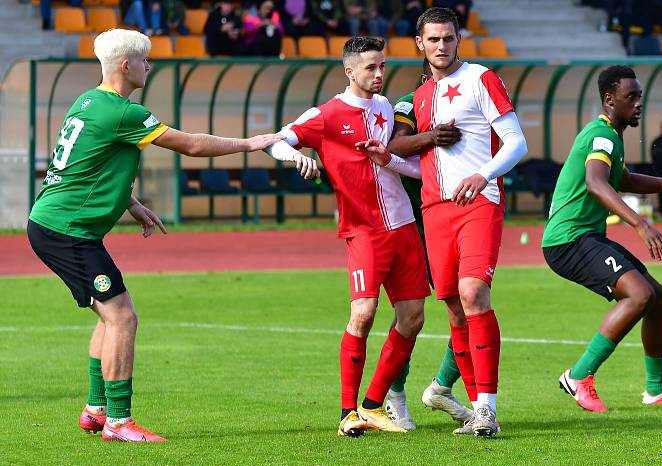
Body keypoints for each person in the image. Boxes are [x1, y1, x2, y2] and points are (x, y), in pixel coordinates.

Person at [26, 29, 286, 443]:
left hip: (59, 226)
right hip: (67, 230)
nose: (150, 66)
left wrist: (131, 203)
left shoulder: (87, 101)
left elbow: (89, 162)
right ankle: (119, 422)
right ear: (126, 66)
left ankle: (96, 410)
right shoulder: (125, 113)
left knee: (110, 314)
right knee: (123, 316)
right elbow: (192, 145)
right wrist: (252, 142)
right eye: (146, 60)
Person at [266, 36, 430, 437]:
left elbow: (404, 164)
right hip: (364, 231)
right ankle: (347, 412)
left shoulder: (387, 110)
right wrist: (298, 156)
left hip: (404, 226)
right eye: (371, 67)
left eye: (383, 67)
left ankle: (373, 405)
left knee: (412, 318)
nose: (379, 74)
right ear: (350, 70)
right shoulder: (325, 115)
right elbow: (276, 143)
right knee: (363, 314)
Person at [541, 65, 662, 413]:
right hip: (569, 240)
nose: (638, 103)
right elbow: (597, 183)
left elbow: (624, 180)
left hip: (584, 236)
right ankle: (579, 377)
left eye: (640, 96)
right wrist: (641, 225)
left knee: (658, 298)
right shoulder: (601, 136)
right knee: (640, 294)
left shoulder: (609, 136)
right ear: (609, 99)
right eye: (630, 97)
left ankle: (655, 390)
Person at [409, 7, 528, 437]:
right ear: (419, 44)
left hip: (479, 201)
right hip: (435, 211)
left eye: (448, 38)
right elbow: (428, 164)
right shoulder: (421, 97)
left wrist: (484, 176)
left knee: (473, 291)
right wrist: (387, 159)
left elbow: (517, 142)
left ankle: (489, 409)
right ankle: (477, 409)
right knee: (455, 308)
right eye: (433, 40)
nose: (442, 47)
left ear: (459, 39)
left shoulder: (482, 78)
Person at [382, 60, 473, 431]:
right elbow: (394, 146)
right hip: (412, 226)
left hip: (454, 219)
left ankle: (441, 387)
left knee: (467, 306)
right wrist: (431, 136)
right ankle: (394, 394)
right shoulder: (407, 104)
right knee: (411, 314)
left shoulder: (468, 106)